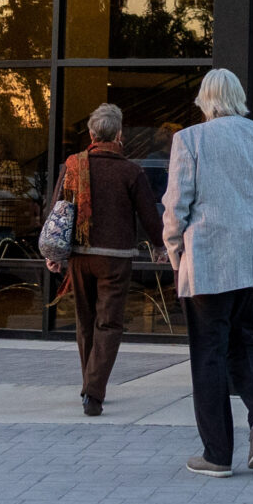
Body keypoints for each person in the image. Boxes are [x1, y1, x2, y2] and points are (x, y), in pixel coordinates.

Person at [162, 67, 253, 476]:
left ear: (204, 101)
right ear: (240, 98)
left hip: (209, 258)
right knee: (244, 340)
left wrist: (176, 255)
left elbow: (175, 208)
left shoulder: (189, 139)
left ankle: (216, 455)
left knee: (208, 352)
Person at [46, 104, 162, 416]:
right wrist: (162, 246)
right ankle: (94, 392)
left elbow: (60, 210)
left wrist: (55, 254)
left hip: (81, 257)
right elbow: (150, 217)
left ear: (92, 134)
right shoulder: (131, 171)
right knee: (108, 323)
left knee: (85, 322)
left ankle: (90, 386)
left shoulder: (74, 166)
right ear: (119, 134)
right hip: (115, 260)